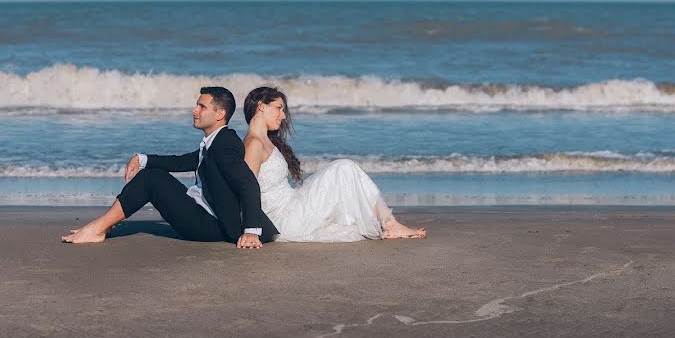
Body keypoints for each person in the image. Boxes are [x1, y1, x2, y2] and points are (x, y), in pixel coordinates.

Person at [62, 86, 278, 248]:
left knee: (151, 179)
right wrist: (143, 158)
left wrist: (251, 231)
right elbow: (185, 161)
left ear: (220, 114)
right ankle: (104, 225)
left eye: (202, 106)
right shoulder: (215, 141)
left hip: (212, 224)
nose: (195, 110)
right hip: (205, 213)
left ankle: (98, 229)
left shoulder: (225, 143)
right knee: (151, 174)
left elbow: (248, 182)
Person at [242, 86, 427, 242]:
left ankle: (389, 223)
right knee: (344, 167)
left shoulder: (265, 140)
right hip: (284, 218)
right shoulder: (254, 144)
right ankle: (390, 224)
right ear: (261, 107)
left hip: (291, 205)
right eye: (279, 108)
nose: (283, 116)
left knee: (345, 175)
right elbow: (246, 189)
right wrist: (251, 231)